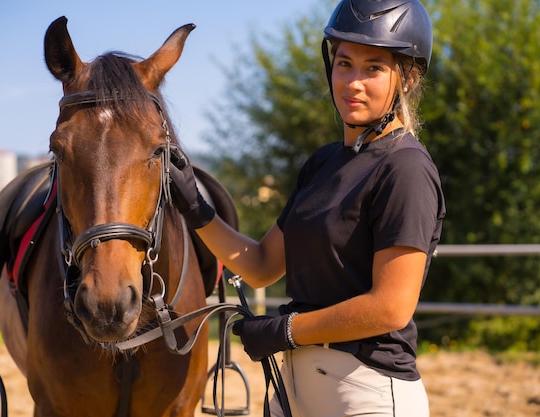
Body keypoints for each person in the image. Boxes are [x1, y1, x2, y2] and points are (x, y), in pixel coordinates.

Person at [169, 0, 446, 415]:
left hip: (364, 391)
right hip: (293, 391)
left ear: (405, 78)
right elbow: (262, 266)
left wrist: (286, 330)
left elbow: (391, 305)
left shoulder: (405, 166)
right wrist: (197, 210)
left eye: (373, 68)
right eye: (344, 63)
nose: (352, 82)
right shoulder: (322, 163)